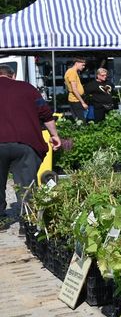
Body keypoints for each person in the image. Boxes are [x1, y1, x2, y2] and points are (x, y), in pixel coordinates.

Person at [0, 65, 61, 225]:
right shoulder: (27, 88)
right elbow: (46, 114)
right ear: (13, 76)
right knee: (26, 184)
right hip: (25, 143)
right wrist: (54, 135)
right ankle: (27, 222)